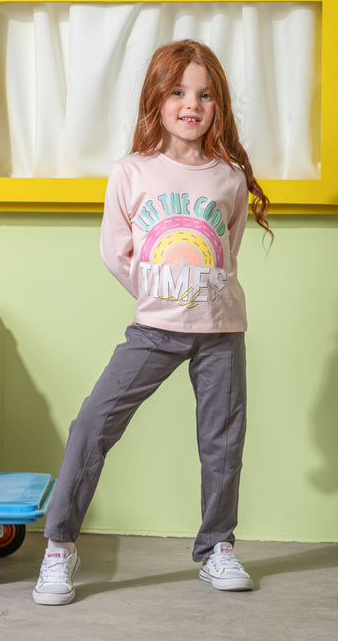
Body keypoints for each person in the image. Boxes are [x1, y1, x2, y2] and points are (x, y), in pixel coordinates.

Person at [33, 39, 272, 606]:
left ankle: (217, 547)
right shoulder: (131, 171)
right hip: (155, 329)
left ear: (218, 106)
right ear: (157, 100)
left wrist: (199, 296)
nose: (192, 105)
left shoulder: (229, 177)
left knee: (222, 442)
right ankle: (60, 546)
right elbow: (116, 252)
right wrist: (163, 298)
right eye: (179, 92)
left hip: (221, 330)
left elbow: (227, 250)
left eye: (205, 95)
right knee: (92, 425)